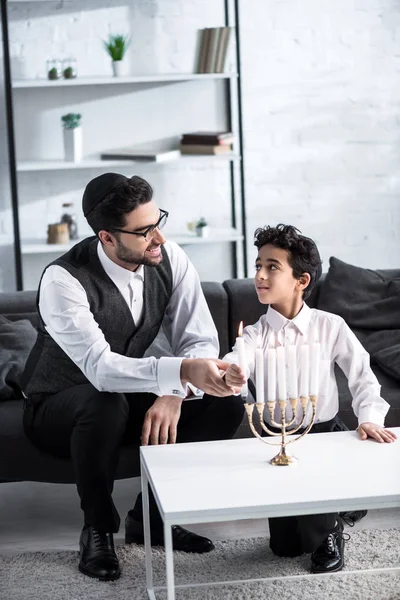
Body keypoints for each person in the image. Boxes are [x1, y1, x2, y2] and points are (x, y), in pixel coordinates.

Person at [21, 173, 244, 582]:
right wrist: (175, 372)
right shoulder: (63, 280)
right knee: (103, 400)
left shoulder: (169, 257)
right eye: (144, 232)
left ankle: (152, 519)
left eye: (158, 221)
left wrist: (174, 391)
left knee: (223, 402)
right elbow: (102, 370)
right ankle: (98, 530)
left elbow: (199, 339)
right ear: (107, 237)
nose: (158, 238)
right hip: (56, 405)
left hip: (122, 397)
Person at [223, 223, 397, 574]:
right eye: (258, 265)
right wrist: (230, 373)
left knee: (316, 535)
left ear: (301, 281)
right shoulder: (255, 334)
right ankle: (341, 507)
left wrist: (369, 418)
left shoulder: (330, 326)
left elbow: (362, 374)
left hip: (322, 434)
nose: (260, 274)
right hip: (275, 436)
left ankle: (332, 527)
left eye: (272, 266)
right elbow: (235, 358)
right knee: (284, 548)